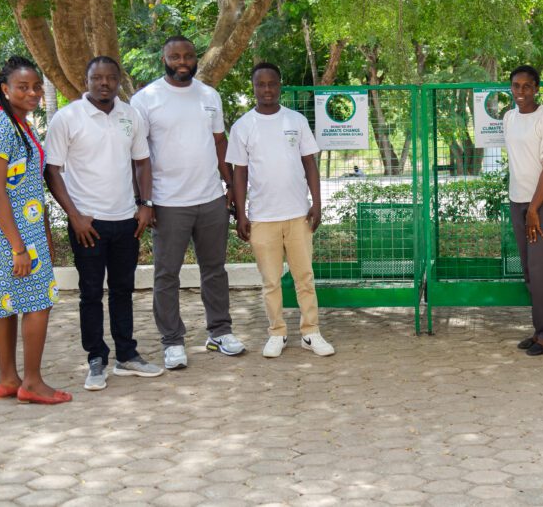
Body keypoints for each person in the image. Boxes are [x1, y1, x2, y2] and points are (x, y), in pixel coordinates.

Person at [45, 56, 164, 391]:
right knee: (91, 293)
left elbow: (142, 161)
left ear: (118, 80)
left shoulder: (130, 115)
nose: (104, 83)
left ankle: (127, 355)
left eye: (111, 77)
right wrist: (75, 216)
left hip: (127, 220)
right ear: (86, 80)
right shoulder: (68, 117)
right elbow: (52, 171)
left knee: (123, 290)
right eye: (97, 77)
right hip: (89, 224)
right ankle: (96, 358)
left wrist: (145, 205)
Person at [130, 35, 245, 369]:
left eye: (188, 56)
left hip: (210, 199)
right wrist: (144, 201)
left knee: (215, 270)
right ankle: (172, 341)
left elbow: (220, 143)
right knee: (167, 275)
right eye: (175, 56)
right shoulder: (145, 99)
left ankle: (219, 332)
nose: (183, 62)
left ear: (196, 58)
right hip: (167, 202)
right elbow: (137, 155)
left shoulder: (209, 95)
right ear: (164, 59)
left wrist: (230, 185)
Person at [0, 56, 70, 404]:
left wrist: (42, 234)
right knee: (38, 302)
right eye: (23, 87)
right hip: (6, 233)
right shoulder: (0, 125)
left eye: (37, 87)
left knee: (6, 301)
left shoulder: (19, 124)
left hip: (18, 229)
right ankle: (32, 383)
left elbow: (28, 185)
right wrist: (18, 247)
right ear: (5, 88)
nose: (32, 93)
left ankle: (9, 380)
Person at [226, 62, 335, 358]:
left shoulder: (296, 120)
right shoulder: (243, 126)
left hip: (298, 214)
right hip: (262, 217)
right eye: (260, 84)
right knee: (271, 281)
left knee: (305, 278)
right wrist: (241, 213)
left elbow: (309, 163)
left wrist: (316, 203)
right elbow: (239, 173)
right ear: (253, 88)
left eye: (272, 83)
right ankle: (277, 332)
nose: (267, 89)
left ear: (280, 86)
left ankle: (311, 332)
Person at [504, 65, 543, 356]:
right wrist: (523, 205)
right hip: (518, 200)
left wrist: (534, 208)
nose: (521, 91)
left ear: (537, 88)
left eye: (527, 86)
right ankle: (540, 329)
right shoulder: (509, 118)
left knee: (540, 269)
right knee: (529, 270)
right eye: (516, 86)